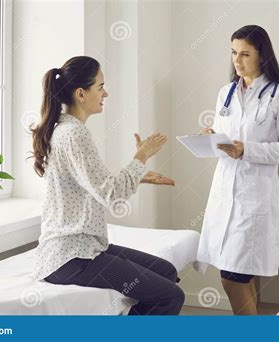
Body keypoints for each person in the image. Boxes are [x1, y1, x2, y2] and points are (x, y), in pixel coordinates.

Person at [29, 56, 184, 315]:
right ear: (81, 93)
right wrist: (142, 155)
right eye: (100, 87)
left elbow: (93, 184)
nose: (106, 93)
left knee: (166, 271)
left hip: (85, 247)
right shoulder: (74, 133)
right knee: (170, 296)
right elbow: (110, 194)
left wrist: (138, 175)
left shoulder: (66, 129)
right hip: (70, 257)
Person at [194, 25, 279, 315]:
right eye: (233, 53)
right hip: (224, 193)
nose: (237, 61)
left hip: (254, 196)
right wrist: (211, 136)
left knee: (233, 278)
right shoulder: (226, 93)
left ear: (261, 56)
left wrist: (247, 150)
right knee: (240, 274)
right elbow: (226, 136)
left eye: (245, 54)